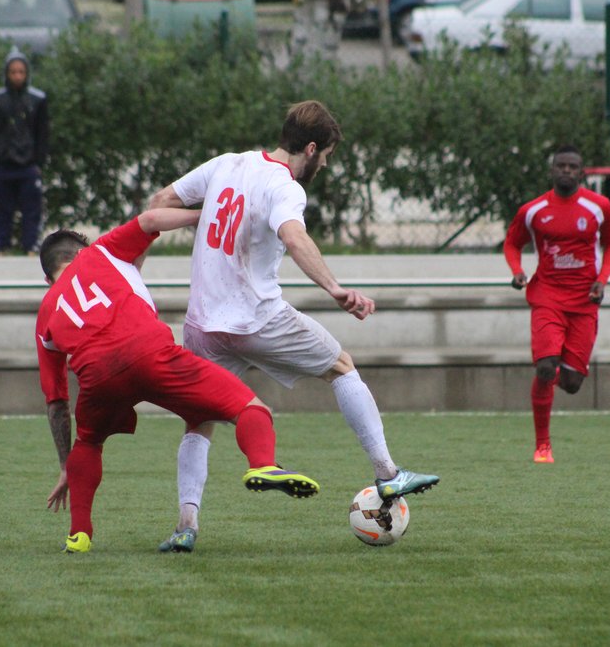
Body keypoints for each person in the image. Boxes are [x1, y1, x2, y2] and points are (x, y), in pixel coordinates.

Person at [148, 99, 440, 551]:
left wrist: (202, 217)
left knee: (198, 421)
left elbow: (160, 202)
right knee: (341, 366)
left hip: (203, 323)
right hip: (258, 318)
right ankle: (387, 473)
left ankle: (186, 525)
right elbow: (293, 235)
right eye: (326, 156)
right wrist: (335, 288)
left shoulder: (227, 164)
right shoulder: (285, 186)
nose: (324, 165)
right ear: (311, 149)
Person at [36, 209, 320, 555]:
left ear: (48, 278)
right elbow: (150, 219)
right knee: (250, 407)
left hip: (97, 378)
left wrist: (66, 466)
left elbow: (56, 401)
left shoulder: (46, 311)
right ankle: (262, 464)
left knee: (89, 443)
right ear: (81, 250)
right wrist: (204, 212)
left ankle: (79, 534)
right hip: (150, 353)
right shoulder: (101, 251)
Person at [503, 144, 610, 464]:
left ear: (581, 172)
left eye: (573, 166)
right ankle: (542, 446)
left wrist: (603, 279)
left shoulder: (598, 207)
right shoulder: (534, 210)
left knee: (571, 384)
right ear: (552, 170)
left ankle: (556, 374)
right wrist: (517, 271)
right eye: (561, 166)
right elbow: (512, 243)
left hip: (585, 301)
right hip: (547, 297)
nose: (567, 171)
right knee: (546, 367)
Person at [0, 48, 49, 255]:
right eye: (13, 72)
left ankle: (30, 246)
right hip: (2, 163)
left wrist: (39, 162)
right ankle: (2, 246)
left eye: (21, 72)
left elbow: (42, 133)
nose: (17, 76)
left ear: (27, 73)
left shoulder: (37, 99)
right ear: (7, 73)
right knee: (1, 207)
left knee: (32, 208)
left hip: (28, 164)